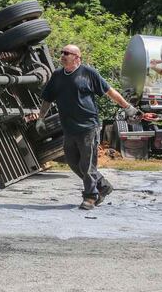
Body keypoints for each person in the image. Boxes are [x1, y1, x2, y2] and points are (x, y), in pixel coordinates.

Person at [27, 44, 143, 210]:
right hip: (69, 128)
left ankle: (90, 197)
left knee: (87, 165)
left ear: (77, 57)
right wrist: (41, 118)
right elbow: (47, 98)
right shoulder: (58, 75)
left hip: (89, 126)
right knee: (73, 162)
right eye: (61, 53)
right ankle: (102, 185)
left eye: (66, 53)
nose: (62, 55)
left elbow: (110, 92)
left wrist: (128, 107)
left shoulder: (89, 74)